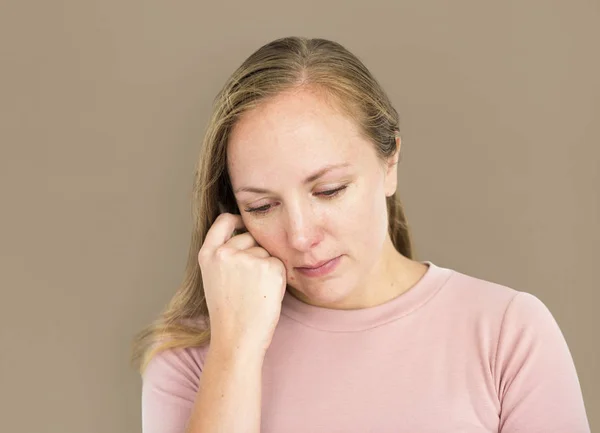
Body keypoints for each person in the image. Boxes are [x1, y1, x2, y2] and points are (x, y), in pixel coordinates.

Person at [131, 36, 590, 433]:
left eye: (329, 190)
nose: (302, 235)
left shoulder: (507, 333)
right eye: (262, 206)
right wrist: (235, 346)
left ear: (389, 163)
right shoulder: (191, 356)